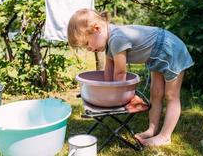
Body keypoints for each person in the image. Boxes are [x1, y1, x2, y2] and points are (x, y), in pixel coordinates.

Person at [67, 8, 194, 146]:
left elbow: (120, 72)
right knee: (156, 93)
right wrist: (104, 94)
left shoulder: (116, 39)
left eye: (87, 44)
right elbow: (108, 71)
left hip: (170, 49)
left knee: (171, 95)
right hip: (156, 56)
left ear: (97, 29)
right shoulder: (109, 43)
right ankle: (152, 129)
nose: (89, 49)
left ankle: (165, 136)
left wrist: (115, 98)